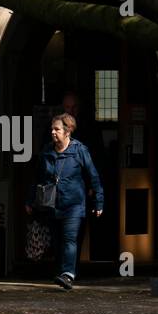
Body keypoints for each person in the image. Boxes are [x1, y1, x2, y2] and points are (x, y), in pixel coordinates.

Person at [25, 113, 103, 290]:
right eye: (52, 129)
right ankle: (62, 273)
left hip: (74, 205)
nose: (53, 132)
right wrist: (30, 200)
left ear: (67, 131)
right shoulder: (46, 151)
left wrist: (99, 201)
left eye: (57, 129)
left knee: (69, 239)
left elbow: (93, 176)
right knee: (58, 241)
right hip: (52, 205)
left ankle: (68, 275)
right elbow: (37, 177)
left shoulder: (79, 150)